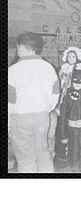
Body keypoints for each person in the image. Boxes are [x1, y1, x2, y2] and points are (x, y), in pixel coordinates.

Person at [8, 32, 60, 172]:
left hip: (20, 119)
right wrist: (47, 108)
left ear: (22, 47)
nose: (17, 50)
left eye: (18, 46)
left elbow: (9, 101)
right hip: (42, 117)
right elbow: (55, 94)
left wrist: (8, 124)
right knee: (43, 153)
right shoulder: (48, 67)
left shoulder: (12, 70)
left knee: (25, 158)